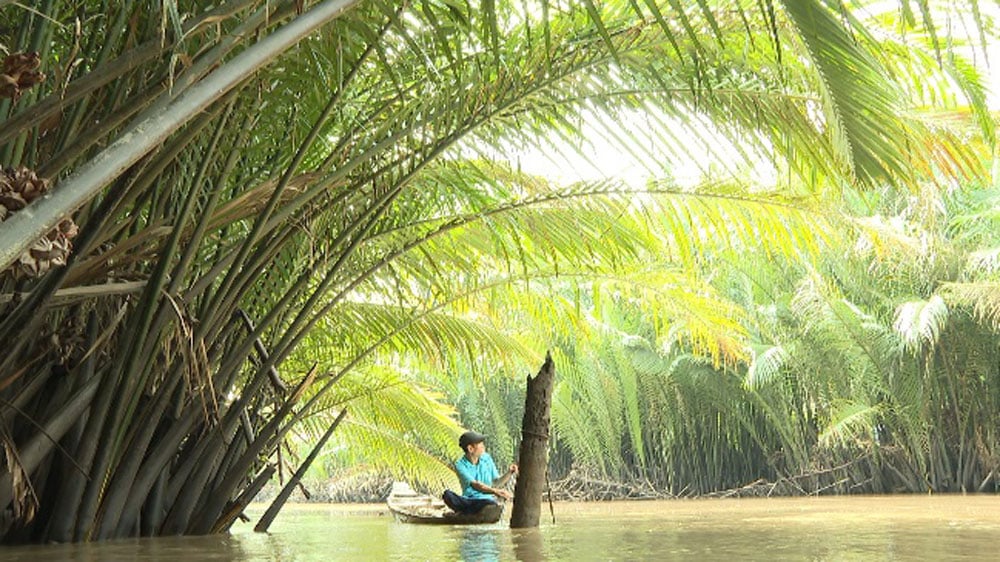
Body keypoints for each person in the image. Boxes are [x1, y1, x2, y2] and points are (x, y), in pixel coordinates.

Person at [442, 431, 518, 514]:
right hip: (468, 500)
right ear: (470, 448)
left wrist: (509, 472)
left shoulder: (487, 458)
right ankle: (466, 512)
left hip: (485, 501)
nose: (483, 447)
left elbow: (497, 483)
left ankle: (463, 513)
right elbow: (476, 485)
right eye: (480, 444)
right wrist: (495, 491)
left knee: (489, 503)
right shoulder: (460, 465)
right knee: (447, 495)